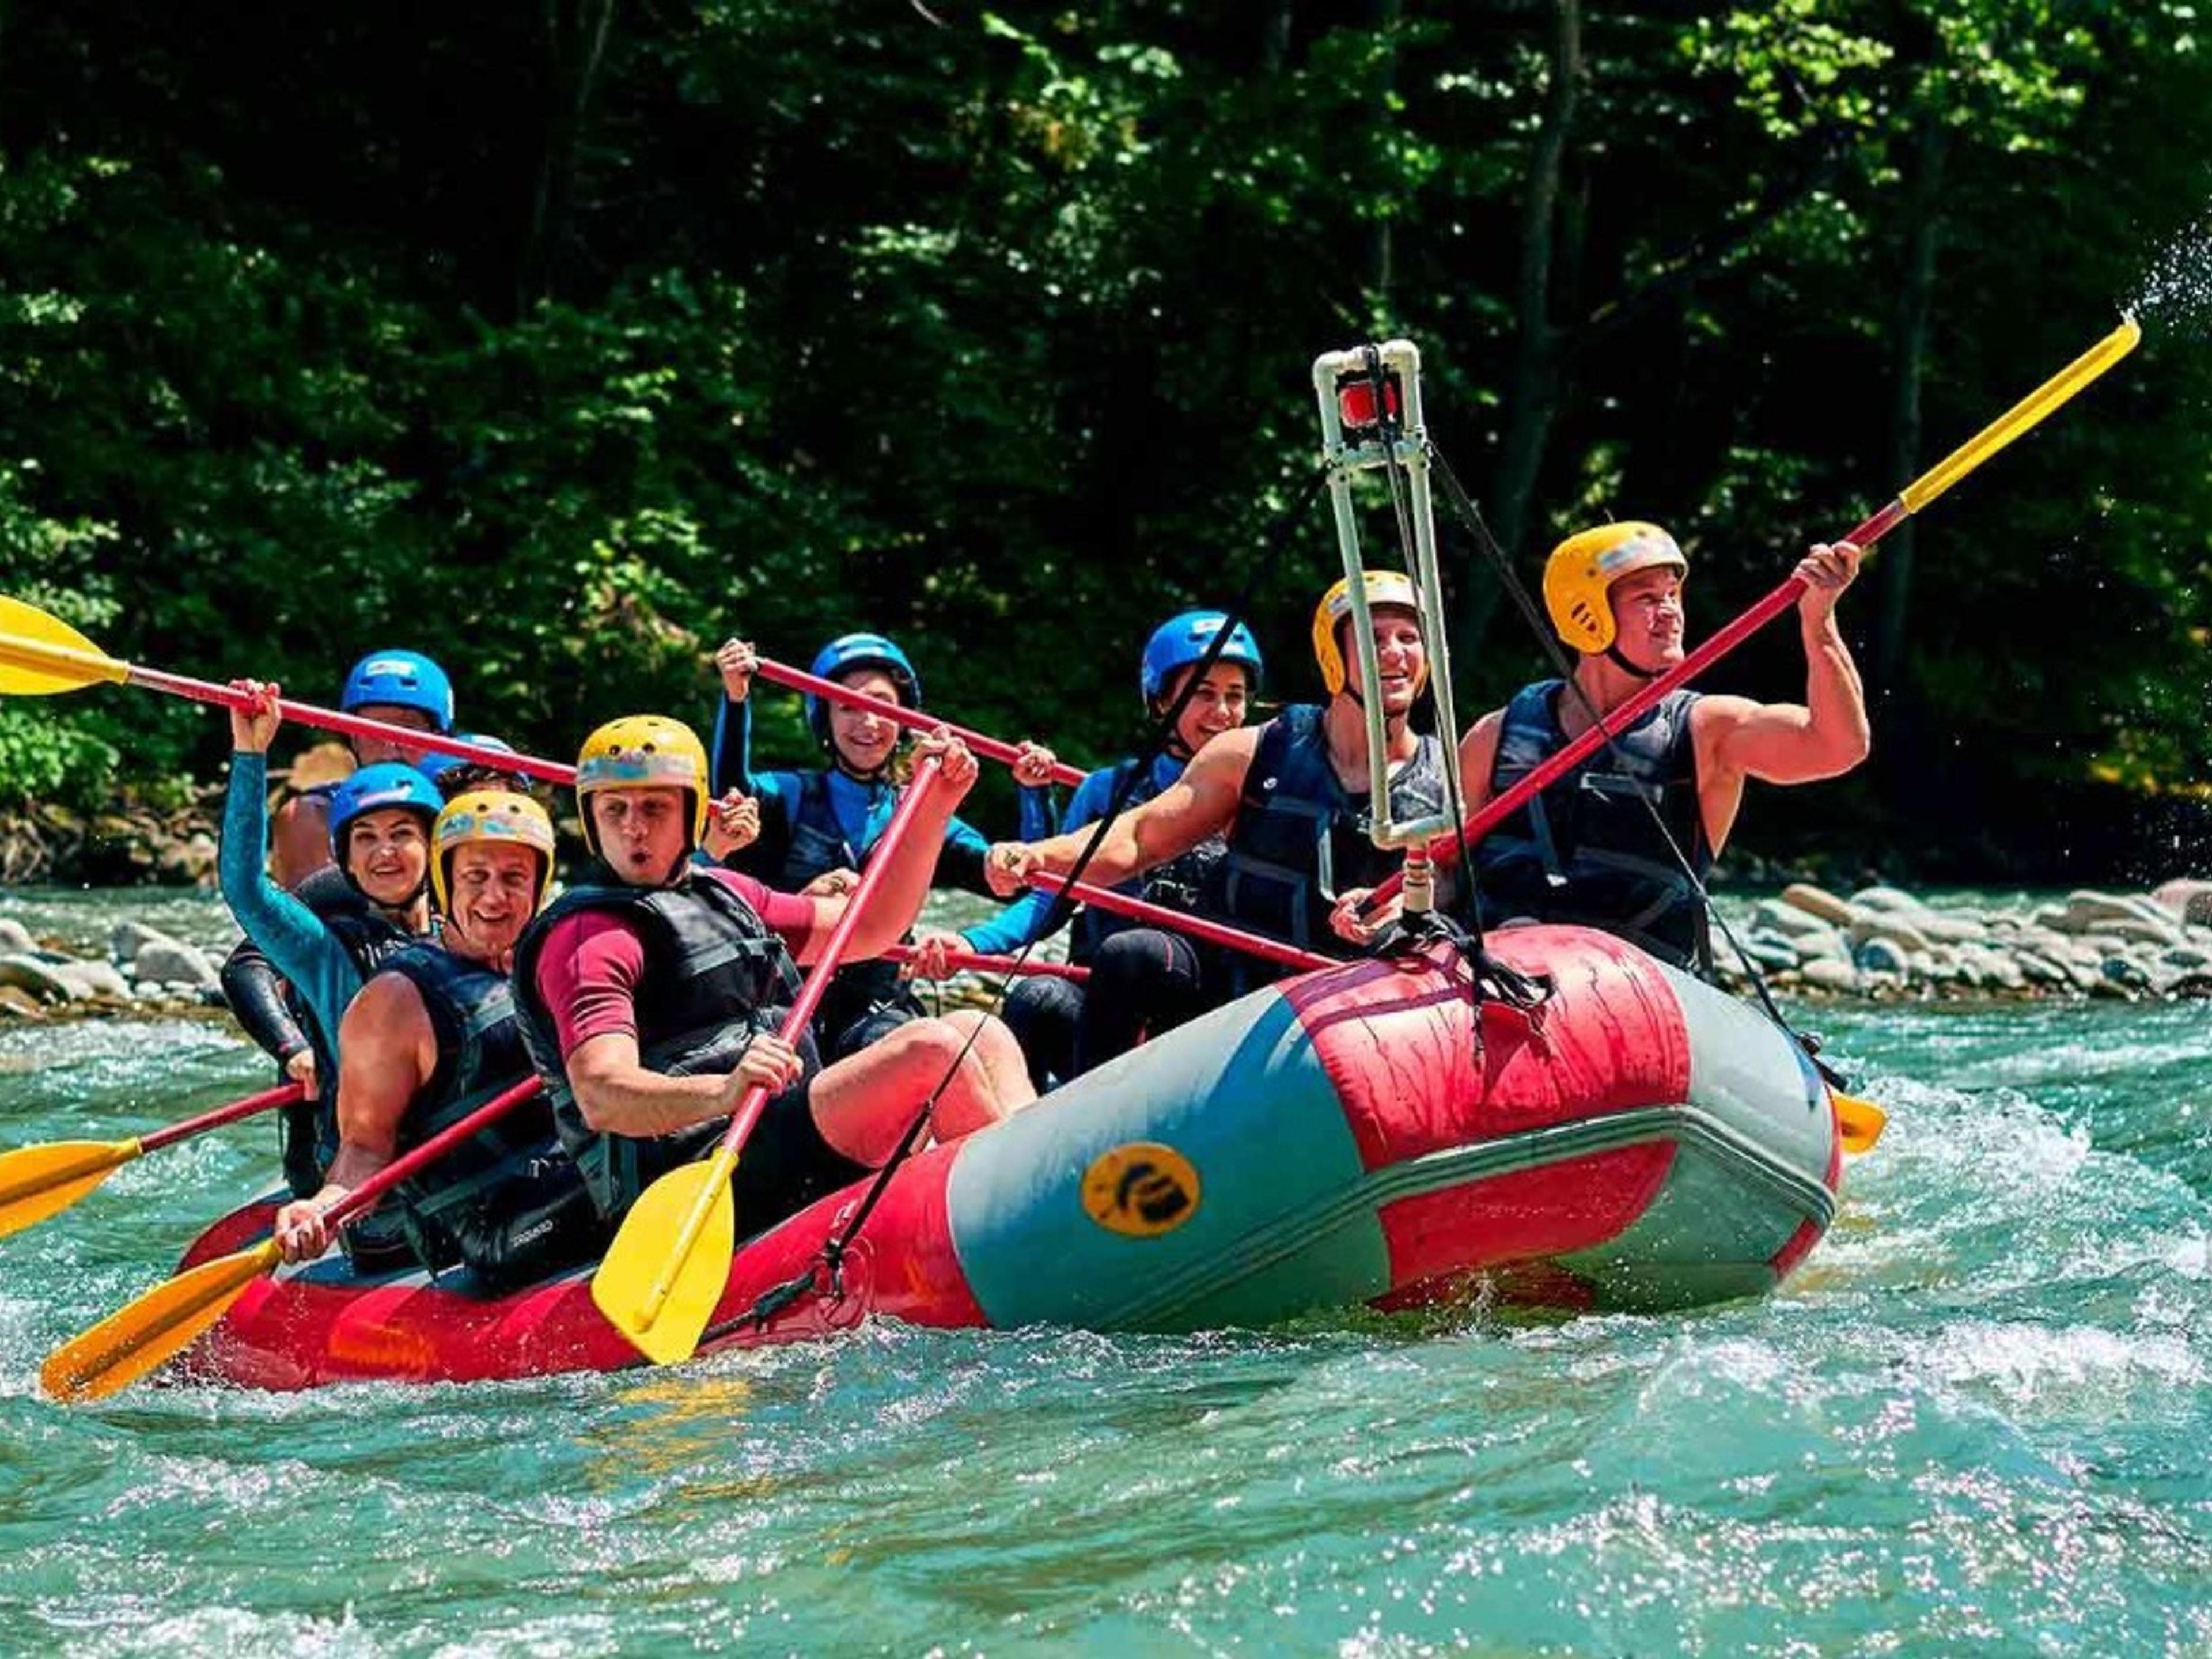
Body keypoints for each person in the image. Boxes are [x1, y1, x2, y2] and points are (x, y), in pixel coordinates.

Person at [511, 715, 1036, 1243]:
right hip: (694, 1167)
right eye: (614, 809)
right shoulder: (585, 941)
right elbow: (603, 1095)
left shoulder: (727, 893)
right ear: (592, 818)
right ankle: (1023, 1229)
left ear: (693, 813)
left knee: (979, 1029)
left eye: (655, 807)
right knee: (929, 1052)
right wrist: (723, 1091)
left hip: (777, 1126)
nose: (633, 827)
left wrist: (933, 810)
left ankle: (1043, 1186)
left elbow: (873, 926)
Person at [986, 572, 1450, 987]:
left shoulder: (1447, 778)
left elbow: (1457, 885)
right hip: (1238, 987)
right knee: (1125, 958)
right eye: (1374, 638)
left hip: (1354, 998)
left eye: (1409, 638)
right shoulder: (1248, 752)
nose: (1393, 653)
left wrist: (1398, 908)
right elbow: (1141, 837)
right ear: (1334, 655)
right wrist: (1036, 856)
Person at [1456, 521, 1870, 969]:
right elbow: (1440, 868)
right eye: (1648, 600)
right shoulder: (1496, 735)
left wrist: (1819, 623)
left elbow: (1837, 746)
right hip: (1502, 976)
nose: (1671, 612)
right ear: (1586, 615)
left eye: (1673, 594)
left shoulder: (1707, 729)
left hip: (1637, 992)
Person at [272, 791, 603, 1289]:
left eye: (514, 879)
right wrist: (324, 1208)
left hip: (572, 1173)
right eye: (476, 878)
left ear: (539, 887)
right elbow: (363, 1146)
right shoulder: (394, 1001)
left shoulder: (557, 961)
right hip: (494, 1226)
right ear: (446, 883)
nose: (495, 897)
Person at [707, 631, 1056, 1060]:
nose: (868, 723)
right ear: (826, 719)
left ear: (902, 720)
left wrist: (1035, 793)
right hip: (782, 1000)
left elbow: (1024, 883)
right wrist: (736, 699)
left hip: (879, 1007)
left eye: (881, 707)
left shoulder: (926, 814)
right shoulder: (791, 795)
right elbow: (730, 798)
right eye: (848, 707)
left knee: (899, 1043)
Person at [978, 611, 1265, 1086]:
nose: (1223, 712)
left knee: (1137, 953)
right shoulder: (1106, 791)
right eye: (1203, 694)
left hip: (1204, 1012)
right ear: (1161, 702)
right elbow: (1050, 903)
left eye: (1234, 697)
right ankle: (1033, 1136)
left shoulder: (1263, 798)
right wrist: (968, 943)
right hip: (1106, 1016)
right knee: (1037, 997)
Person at [221, 680, 442, 1210]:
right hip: (382, 1184)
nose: (384, 852)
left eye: (401, 834)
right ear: (344, 858)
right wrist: (251, 754)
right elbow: (245, 889)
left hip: (464, 1163)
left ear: (435, 846)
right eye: (366, 837)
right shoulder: (327, 953)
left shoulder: (472, 926)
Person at [267, 649, 456, 889]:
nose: (389, 751)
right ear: (353, 739)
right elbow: (314, 919)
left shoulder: (463, 809)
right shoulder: (313, 816)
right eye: (373, 732)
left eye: (407, 731)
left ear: (438, 738)